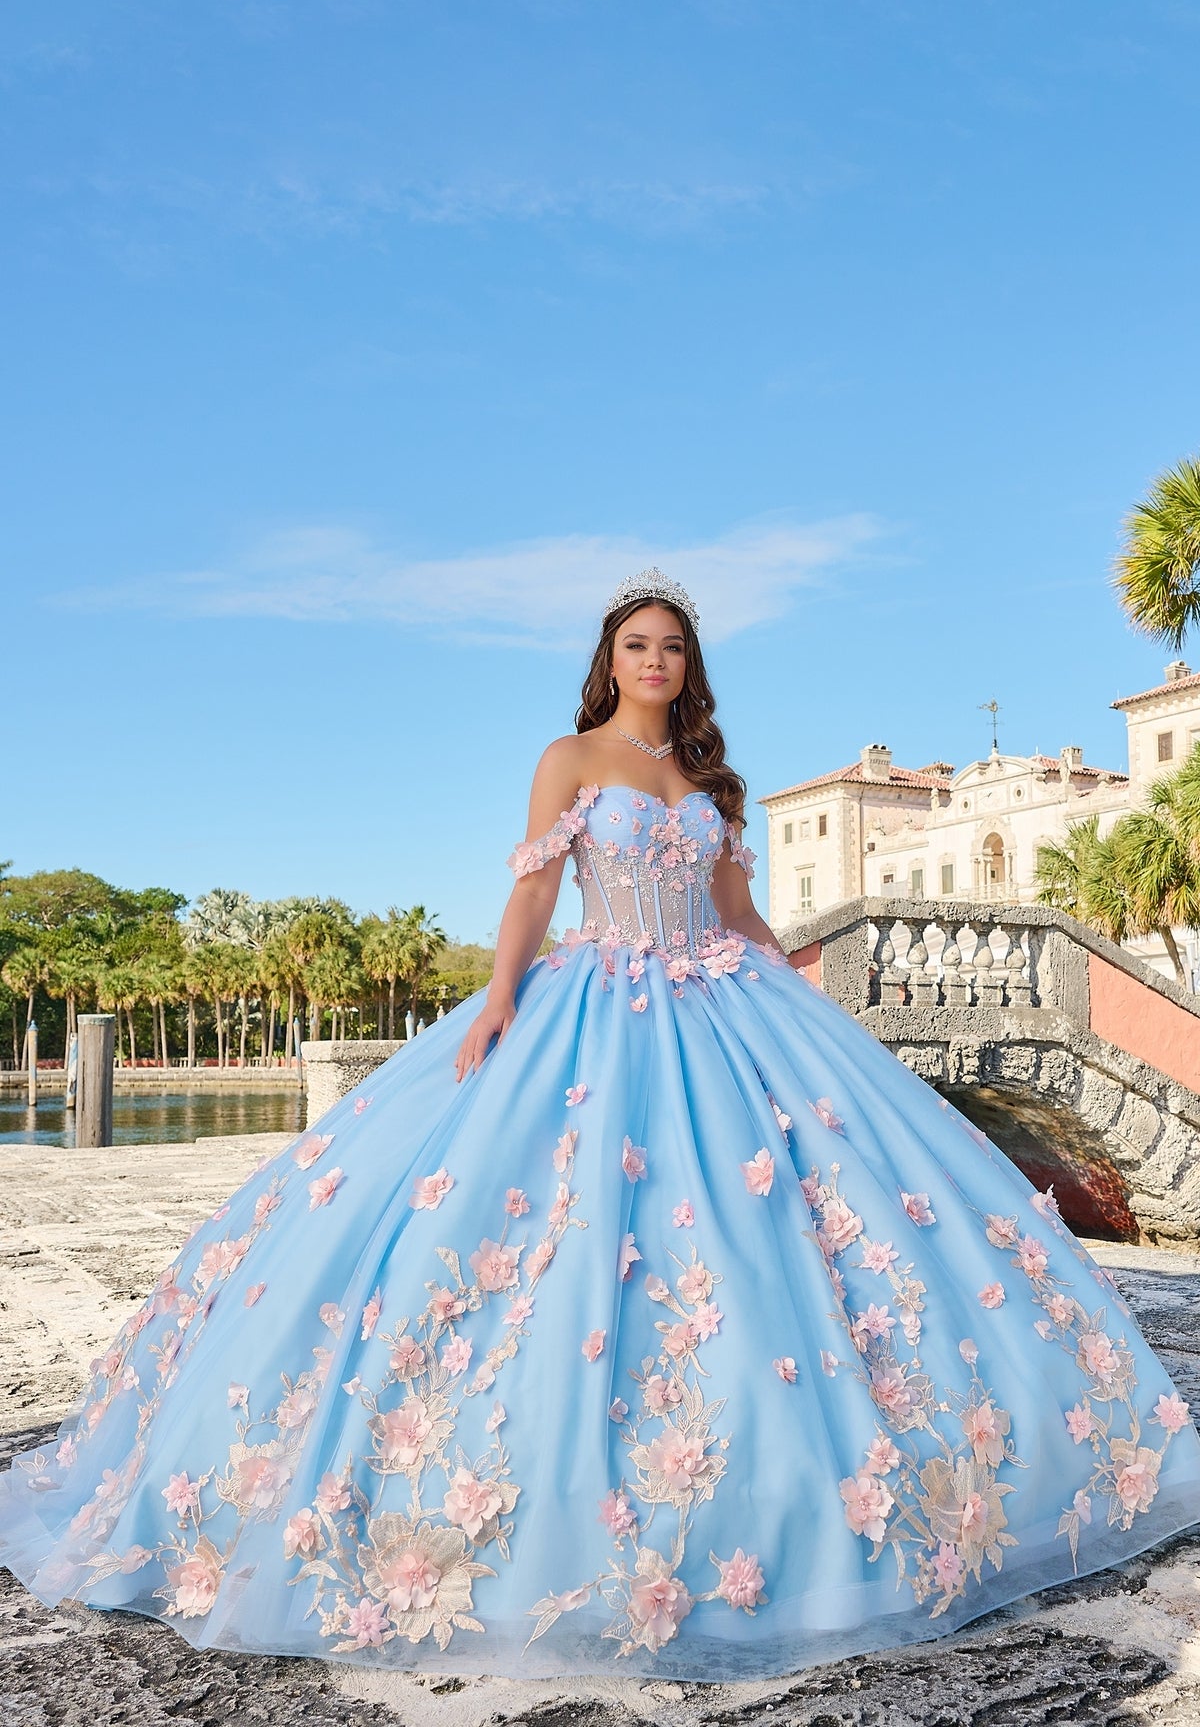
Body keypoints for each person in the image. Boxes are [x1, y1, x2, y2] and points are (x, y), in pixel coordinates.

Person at [2, 568, 1198, 1682]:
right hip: (595, 1001)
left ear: (691, 665)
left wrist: (820, 1021)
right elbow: (531, 889)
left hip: (725, 1008)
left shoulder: (716, 783)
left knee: (777, 1234)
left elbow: (740, 916)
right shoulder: (568, 758)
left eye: (674, 646)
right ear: (610, 657)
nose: (657, 659)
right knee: (558, 1234)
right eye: (639, 644)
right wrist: (503, 997)